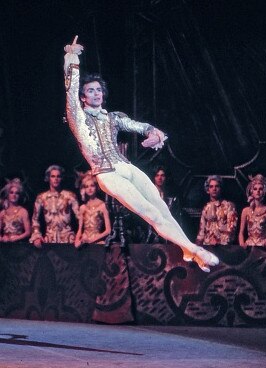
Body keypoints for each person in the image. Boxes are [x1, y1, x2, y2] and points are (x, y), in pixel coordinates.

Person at [63, 36, 219, 272]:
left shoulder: (113, 117)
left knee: (163, 208)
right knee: (150, 214)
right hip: (107, 174)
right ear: (83, 97)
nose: (96, 94)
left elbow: (139, 126)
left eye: (98, 90)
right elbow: (70, 89)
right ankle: (195, 249)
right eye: (90, 91)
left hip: (125, 167)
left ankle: (188, 250)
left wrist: (156, 133)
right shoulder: (78, 118)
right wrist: (72, 58)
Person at [29, 165, 79, 247]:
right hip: (49, 240)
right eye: (53, 176)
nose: (56, 179)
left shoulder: (70, 196)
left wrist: (79, 235)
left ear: (61, 178)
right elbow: (35, 219)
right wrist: (37, 236)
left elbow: (79, 218)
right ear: (48, 178)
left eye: (58, 176)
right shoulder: (41, 197)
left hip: (68, 239)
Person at [195, 175, 238, 246]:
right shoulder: (206, 208)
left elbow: (232, 230)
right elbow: (201, 231)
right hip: (207, 246)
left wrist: (219, 241)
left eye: (216, 186)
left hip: (224, 247)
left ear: (220, 188)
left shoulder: (229, 206)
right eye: (211, 186)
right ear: (208, 190)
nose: (214, 189)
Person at [74, 170, 111, 247]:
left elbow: (108, 230)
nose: (89, 189)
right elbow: (80, 230)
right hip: (84, 241)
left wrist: (92, 240)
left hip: (97, 240)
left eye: (92, 186)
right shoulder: (83, 207)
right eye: (87, 186)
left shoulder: (103, 205)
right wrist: (77, 239)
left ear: (96, 187)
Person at [239, 174, 266, 248]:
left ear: (264, 191)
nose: (258, 191)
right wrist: (242, 243)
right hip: (249, 247)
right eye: (255, 189)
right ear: (252, 191)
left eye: (261, 189)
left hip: (264, 248)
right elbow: (241, 232)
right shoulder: (246, 211)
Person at [0, 178, 31, 242]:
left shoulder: (23, 212)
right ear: (7, 195)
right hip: (4, 246)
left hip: (18, 246)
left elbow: (28, 232)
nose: (14, 195)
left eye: (17, 193)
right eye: (11, 192)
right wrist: (1, 238)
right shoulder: (3, 213)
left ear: (19, 196)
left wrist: (18, 237)